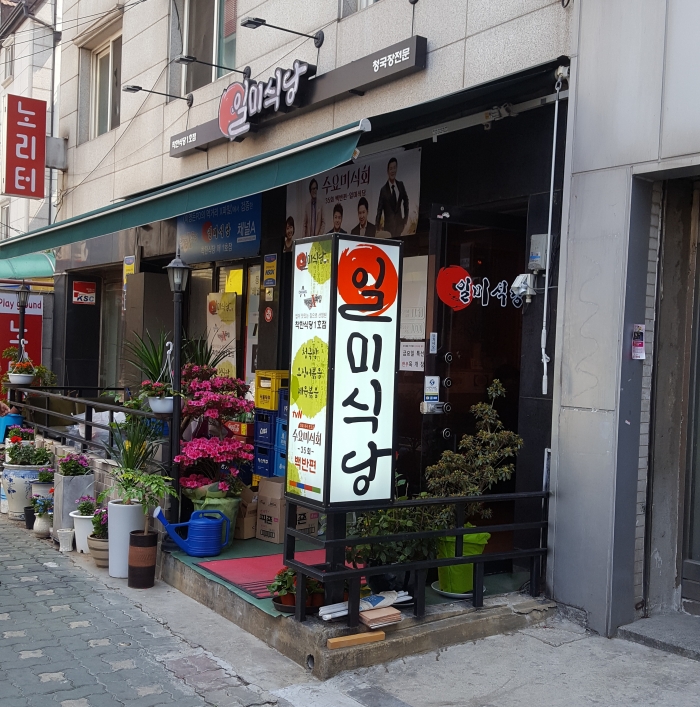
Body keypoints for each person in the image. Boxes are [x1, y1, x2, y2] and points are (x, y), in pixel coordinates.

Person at [375, 156, 409, 238]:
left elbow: (406, 201)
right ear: (388, 171)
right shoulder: (383, 190)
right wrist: (377, 228)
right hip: (388, 229)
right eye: (391, 169)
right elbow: (379, 210)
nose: (393, 171)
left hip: (400, 227)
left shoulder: (400, 185)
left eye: (394, 168)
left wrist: (405, 219)